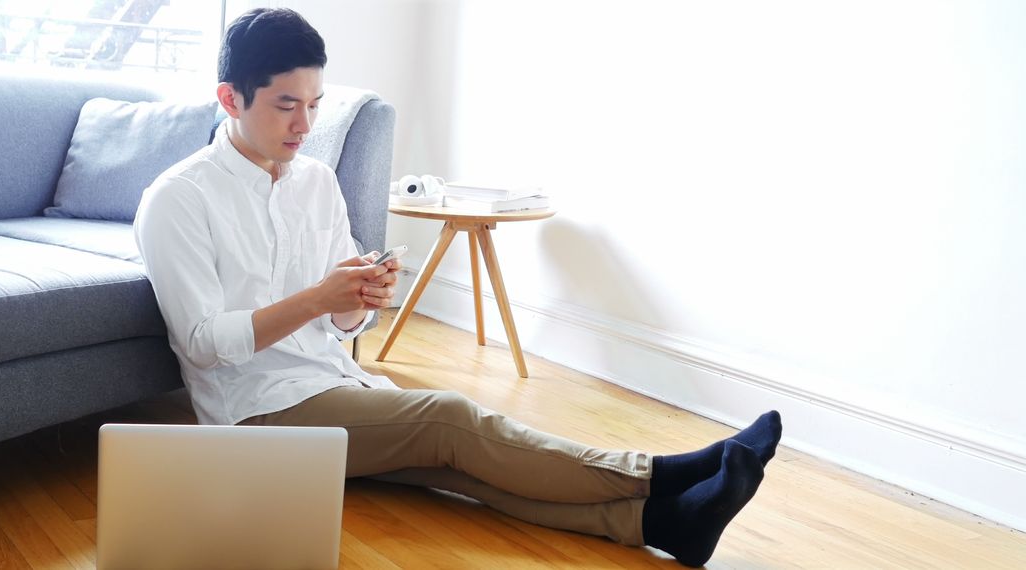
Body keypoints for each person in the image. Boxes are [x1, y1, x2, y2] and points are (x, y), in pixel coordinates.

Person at [134, 7, 782, 567]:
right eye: (285, 106)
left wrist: (359, 302)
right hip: (255, 412)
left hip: (331, 383)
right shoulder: (178, 200)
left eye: (314, 105)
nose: (304, 125)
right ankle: (666, 472)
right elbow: (200, 345)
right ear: (230, 99)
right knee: (449, 419)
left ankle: (663, 524)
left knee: (458, 467)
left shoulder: (315, 182)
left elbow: (340, 326)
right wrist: (318, 299)